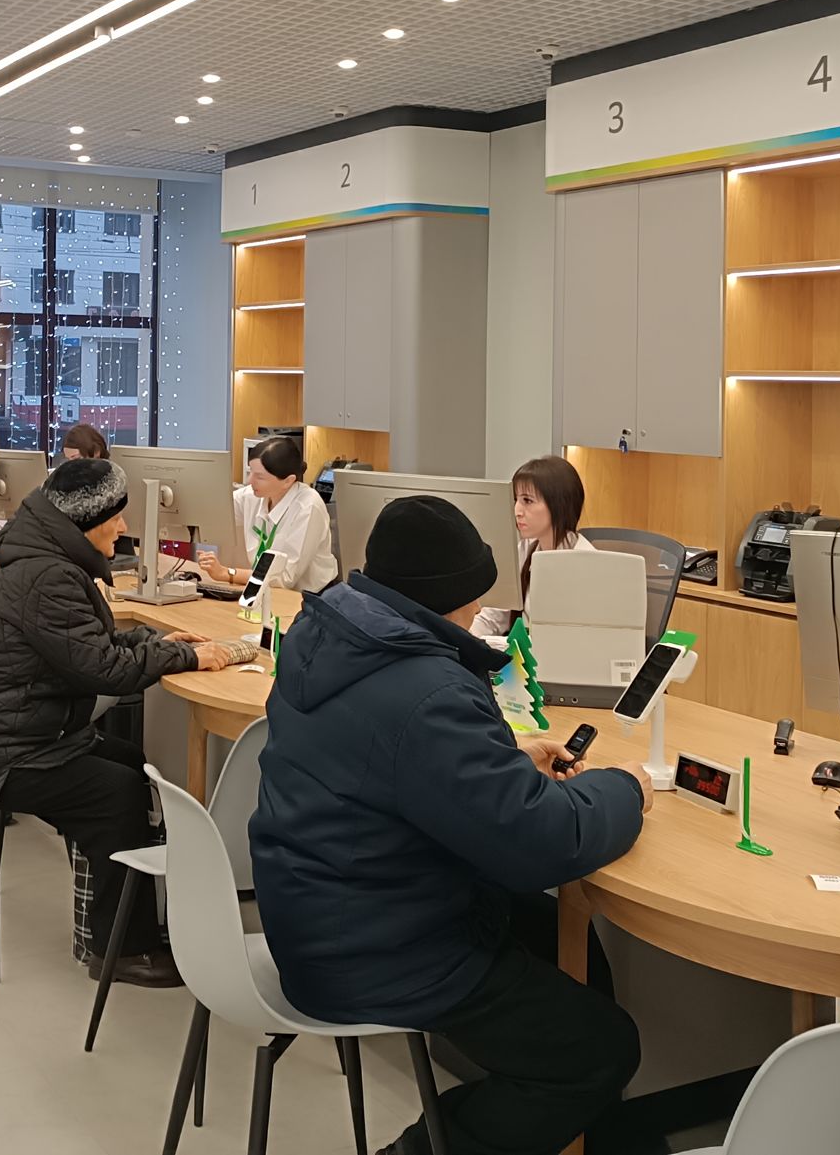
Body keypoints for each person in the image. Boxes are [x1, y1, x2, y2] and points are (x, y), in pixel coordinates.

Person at [251, 495, 653, 1155]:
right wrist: (626, 788)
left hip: (320, 908)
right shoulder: (426, 689)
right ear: (452, 597)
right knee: (599, 1049)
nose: (479, 609)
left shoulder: (330, 638)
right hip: (374, 947)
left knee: (559, 937)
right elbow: (543, 842)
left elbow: (389, 761)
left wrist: (499, 759)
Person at [0, 457, 234, 986]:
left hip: (9, 731)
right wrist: (182, 656)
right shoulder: (49, 576)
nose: (123, 526)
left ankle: (111, 921)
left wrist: (155, 642)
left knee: (128, 761)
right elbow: (105, 671)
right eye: (116, 516)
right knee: (115, 793)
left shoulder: (44, 561)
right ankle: (121, 949)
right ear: (87, 522)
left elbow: (84, 644)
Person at [197, 436, 335, 594]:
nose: (249, 481)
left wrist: (227, 573)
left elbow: (284, 578)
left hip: (308, 596)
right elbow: (213, 513)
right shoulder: (252, 495)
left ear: (288, 481)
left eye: (260, 477)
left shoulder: (308, 507)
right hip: (265, 589)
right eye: (251, 472)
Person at [474, 454, 587, 637]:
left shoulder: (586, 563)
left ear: (558, 505)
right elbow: (493, 616)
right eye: (516, 500)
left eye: (527, 501)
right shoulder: (524, 550)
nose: (517, 511)